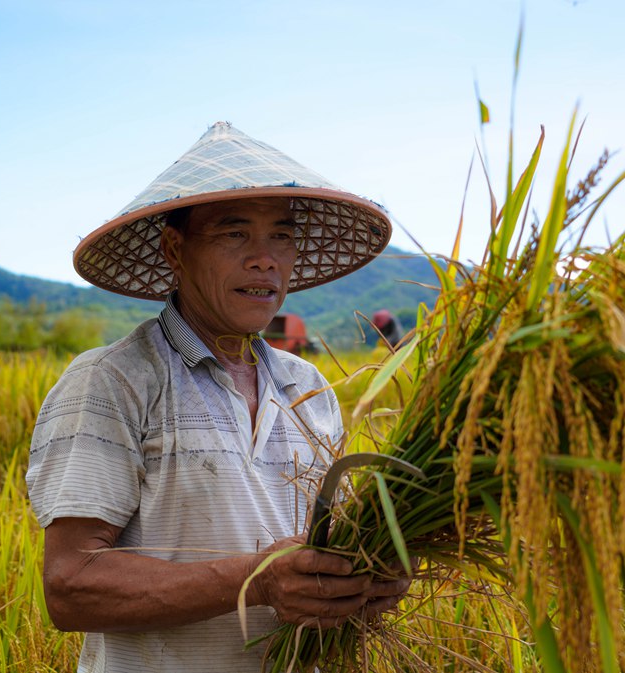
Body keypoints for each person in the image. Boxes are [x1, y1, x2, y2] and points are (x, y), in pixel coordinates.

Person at [26, 122, 408, 672]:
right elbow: (72, 586)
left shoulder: (309, 389)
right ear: (175, 250)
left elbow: (325, 564)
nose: (264, 259)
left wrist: (367, 581)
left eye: (281, 235)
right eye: (234, 234)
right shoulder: (115, 380)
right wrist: (258, 580)